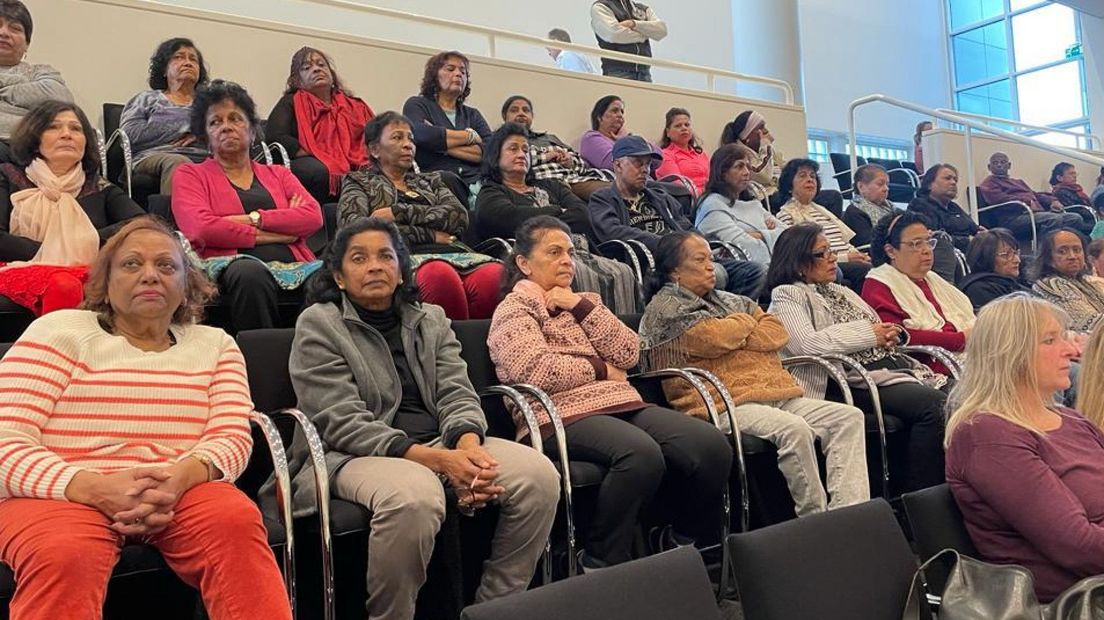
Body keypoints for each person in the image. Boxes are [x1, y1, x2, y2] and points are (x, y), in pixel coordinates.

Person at [0, 216, 293, 620]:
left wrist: (179, 479)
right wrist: (94, 488)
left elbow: (231, 437)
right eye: (132, 264)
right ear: (104, 280)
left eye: (167, 266)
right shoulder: (57, 331)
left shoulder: (215, 344)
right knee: (66, 553)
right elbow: (6, 440)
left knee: (236, 521)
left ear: (187, 283)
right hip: (62, 492)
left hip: (177, 489)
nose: (150, 276)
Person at [288, 217, 559, 619]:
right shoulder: (319, 324)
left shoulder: (430, 318)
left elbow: (457, 391)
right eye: (359, 258)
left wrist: (469, 454)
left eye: (385, 256)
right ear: (340, 278)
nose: (375, 266)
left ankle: (495, 606)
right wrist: (443, 464)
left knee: (538, 475)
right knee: (416, 496)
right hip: (347, 454)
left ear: (400, 270)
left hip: (440, 442)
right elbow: (340, 420)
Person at [488, 215, 731, 569]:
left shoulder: (584, 303)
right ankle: (600, 559)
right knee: (640, 454)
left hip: (619, 402)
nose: (567, 261)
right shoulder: (513, 310)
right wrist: (601, 369)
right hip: (555, 414)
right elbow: (537, 371)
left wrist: (581, 307)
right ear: (523, 263)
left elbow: (630, 353)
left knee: (709, 446)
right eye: (554, 252)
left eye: (570, 252)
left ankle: (678, 539)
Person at [639, 230, 869, 515]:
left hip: (775, 392)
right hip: (724, 403)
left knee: (847, 417)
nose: (712, 266)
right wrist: (748, 323)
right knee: (793, 429)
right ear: (674, 271)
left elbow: (775, 333)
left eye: (711, 258)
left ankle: (850, 514)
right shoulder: (665, 310)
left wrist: (738, 330)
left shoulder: (729, 299)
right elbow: (713, 338)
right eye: (700, 260)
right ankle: (815, 518)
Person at [945, 293, 1104, 604]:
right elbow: (1077, 546)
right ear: (1010, 354)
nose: (1071, 351)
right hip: (1072, 602)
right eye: (1050, 340)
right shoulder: (988, 435)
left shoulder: (1070, 420)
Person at [767, 224, 948, 493]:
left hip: (890, 366)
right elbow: (808, 344)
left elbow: (875, 326)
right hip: (848, 378)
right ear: (799, 263)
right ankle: (920, 501)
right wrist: (869, 335)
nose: (831, 258)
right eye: (821, 253)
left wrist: (890, 333)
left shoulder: (843, 291)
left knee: (961, 396)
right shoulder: (788, 294)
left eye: (830, 250)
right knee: (935, 406)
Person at [171, 80, 323, 333]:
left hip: (297, 264)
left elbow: (312, 217)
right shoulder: (190, 175)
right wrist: (283, 231)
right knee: (250, 273)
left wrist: (249, 219)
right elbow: (200, 228)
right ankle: (261, 354)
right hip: (228, 266)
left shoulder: (279, 174)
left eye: (235, 119)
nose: (226, 127)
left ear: (252, 130)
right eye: (215, 122)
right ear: (206, 136)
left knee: (326, 278)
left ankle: (308, 352)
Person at [339, 111, 503, 321]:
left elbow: (458, 216)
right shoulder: (358, 182)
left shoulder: (431, 180)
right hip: (404, 257)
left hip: (455, 253)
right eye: (397, 137)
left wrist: (396, 212)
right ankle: (449, 347)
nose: (408, 145)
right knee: (439, 276)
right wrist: (432, 235)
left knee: (495, 276)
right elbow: (356, 231)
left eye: (411, 139)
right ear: (375, 149)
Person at [473, 122, 639, 314]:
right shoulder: (492, 192)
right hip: (536, 260)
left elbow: (582, 214)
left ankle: (613, 333)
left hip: (577, 251)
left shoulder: (551, 185)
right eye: (513, 148)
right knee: (575, 273)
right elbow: (504, 218)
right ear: (496, 156)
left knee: (624, 272)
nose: (521, 154)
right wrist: (556, 211)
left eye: (525, 150)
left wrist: (543, 217)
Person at [0, 100, 143, 316]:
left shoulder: (98, 186)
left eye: (76, 129)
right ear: (34, 137)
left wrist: (83, 241)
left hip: (86, 271)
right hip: (19, 268)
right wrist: (53, 250)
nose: (67, 134)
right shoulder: (8, 176)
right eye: (53, 127)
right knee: (64, 285)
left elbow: (142, 223)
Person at [589, 135, 766, 300]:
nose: (645, 170)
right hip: (656, 263)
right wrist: (668, 245)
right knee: (716, 275)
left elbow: (686, 226)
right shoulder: (602, 199)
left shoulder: (660, 197)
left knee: (755, 272)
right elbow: (612, 232)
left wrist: (701, 243)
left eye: (648, 164)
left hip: (688, 255)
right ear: (618, 165)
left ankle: (726, 320)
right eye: (638, 163)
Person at [862, 211, 975, 374]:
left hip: (967, 353)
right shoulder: (878, 283)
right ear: (891, 251)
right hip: (932, 364)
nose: (927, 250)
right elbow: (898, 335)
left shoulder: (932, 279)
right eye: (916, 244)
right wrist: (961, 339)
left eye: (928, 242)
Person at [266, 46, 375, 204]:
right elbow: (275, 136)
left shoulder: (354, 105)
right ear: (297, 80)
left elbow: (375, 135)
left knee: (379, 170)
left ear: (332, 74)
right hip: (311, 161)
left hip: (353, 160)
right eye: (307, 68)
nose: (316, 69)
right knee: (318, 170)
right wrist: (313, 151)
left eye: (321, 65)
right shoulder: (290, 102)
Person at [119, 38, 210, 195]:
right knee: (180, 164)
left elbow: (249, 132)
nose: (188, 63)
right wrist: (188, 126)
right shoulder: (147, 99)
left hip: (207, 158)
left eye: (193, 59)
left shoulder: (212, 104)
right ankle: (174, 219)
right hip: (157, 157)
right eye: (179, 57)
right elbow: (129, 135)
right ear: (164, 69)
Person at [402, 50, 491, 196]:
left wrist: (437, 144)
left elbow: (490, 151)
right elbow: (420, 134)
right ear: (434, 76)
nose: (458, 74)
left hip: (478, 184)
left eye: (463, 72)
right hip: (437, 185)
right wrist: (470, 136)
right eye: (450, 69)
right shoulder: (417, 104)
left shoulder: (473, 114)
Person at [776, 158, 870, 292]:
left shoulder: (823, 211)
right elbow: (799, 255)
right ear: (789, 185)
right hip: (822, 263)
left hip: (844, 258)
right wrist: (846, 258)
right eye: (802, 175)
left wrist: (857, 253)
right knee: (865, 270)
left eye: (813, 176)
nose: (810, 180)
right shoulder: (786, 215)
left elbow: (841, 240)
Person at [501, 95, 613, 201]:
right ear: (504, 116)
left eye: (526, 110)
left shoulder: (550, 138)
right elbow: (506, 163)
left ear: (532, 116)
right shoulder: (501, 140)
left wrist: (570, 161)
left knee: (621, 187)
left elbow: (583, 164)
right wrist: (546, 156)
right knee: (610, 193)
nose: (521, 113)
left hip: (575, 179)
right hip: (547, 184)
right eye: (514, 110)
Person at [0, 1, 72, 161]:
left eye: (15, 28)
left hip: (27, 149)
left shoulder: (39, 71)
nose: (4, 33)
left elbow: (62, 100)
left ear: (27, 44)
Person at [694, 143, 785, 266]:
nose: (747, 172)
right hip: (738, 269)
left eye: (748, 166)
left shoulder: (753, 204)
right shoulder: (712, 205)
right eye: (739, 166)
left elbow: (786, 233)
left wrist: (757, 235)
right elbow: (742, 246)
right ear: (722, 172)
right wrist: (768, 231)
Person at [978, 152, 1086, 237]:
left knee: (1074, 218)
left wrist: (1052, 201)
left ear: (1009, 165)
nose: (999, 165)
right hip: (1013, 218)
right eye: (995, 163)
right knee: (1053, 219)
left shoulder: (1018, 182)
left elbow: (1036, 195)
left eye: (1002, 162)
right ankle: (1045, 254)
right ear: (989, 167)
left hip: (1035, 214)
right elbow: (999, 199)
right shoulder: (989, 183)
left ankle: (1065, 247)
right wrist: (1027, 202)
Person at [1031, 228, 1104, 335]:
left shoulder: (1084, 282)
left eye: (1077, 250)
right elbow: (1091, 324)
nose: (1072, 256)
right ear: (1048, 258)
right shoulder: (1052, 284)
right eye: (1062, 251)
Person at [579, 95, 661, 173]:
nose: (620, 115)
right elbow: (613, 164)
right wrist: (626, 141)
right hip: (616, 184)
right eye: (615, 111)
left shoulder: (628, 138)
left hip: (646, 182)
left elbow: (658, 159)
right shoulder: (591, 138)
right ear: (600, 117)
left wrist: (629, 139)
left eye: (622, 112)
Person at [907, 163, 979, 253]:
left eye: (955, 180)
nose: (953, 182)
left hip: (965, 252)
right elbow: (936, 238)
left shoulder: (953, 207)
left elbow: (974, 229)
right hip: (942, 255)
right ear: (929, 184)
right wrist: (969, 240)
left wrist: (983, 235)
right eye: (947, 178)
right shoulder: (919, 205)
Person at [589, 0, 667, 82]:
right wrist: (645, 33)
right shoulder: (601, 7)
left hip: (645, 74)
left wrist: (633, 24)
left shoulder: (642, 9)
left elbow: (661, 30)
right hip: (617, 73)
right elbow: (614, 34)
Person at [960, 228, 1031, 311]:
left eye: (1015, 253)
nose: (1017, 260)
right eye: (1005, 255)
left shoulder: (1014, 282)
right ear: (984, 258)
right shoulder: (979, 290)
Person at [654, 107, 709, 194]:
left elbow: (713, 181)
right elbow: (680, 188)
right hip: (688, 201)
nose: (684, 128)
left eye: (687, 125)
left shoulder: (701, 154)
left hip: (710, 199)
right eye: (678, 126)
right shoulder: (665, 155)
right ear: (668, 132)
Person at [843, 164, 896, 248]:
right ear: (861, 187)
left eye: (887, 184)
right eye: (880, 184)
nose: (886, 188)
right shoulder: (854, 211)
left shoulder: (892, 207)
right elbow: (868, 244)